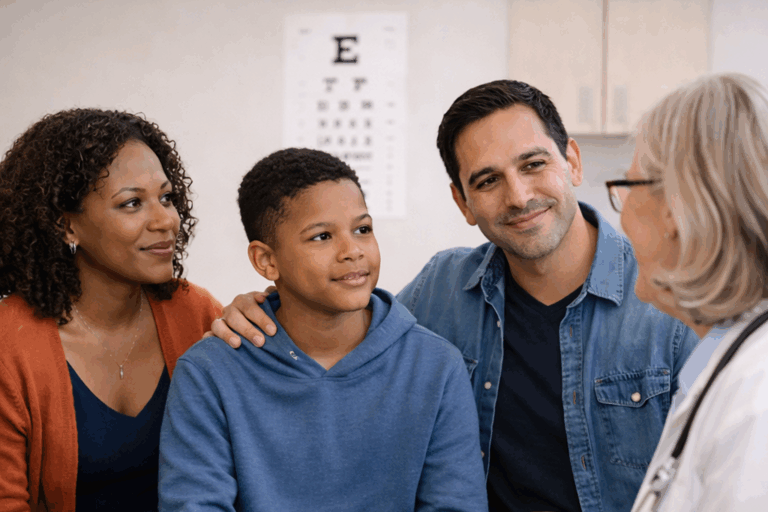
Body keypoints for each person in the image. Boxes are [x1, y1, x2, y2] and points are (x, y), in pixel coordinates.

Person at [213, 80, 702, 512]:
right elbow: (343, 332)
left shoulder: (674, 299)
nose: (518, 196)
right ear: (462, 202)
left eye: (533, 164)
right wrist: (263, 306)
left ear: (572, 161)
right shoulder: (442, 289)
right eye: (487, 181)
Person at [158, 148, 487, 511]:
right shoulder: (207, 372)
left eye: (362, 229)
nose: (352, 251)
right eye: (321, 237)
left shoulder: (437, 366)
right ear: (266, 261)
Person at [0, 108, 224, 512]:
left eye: (167, 198)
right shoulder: (9, 344)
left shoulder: (196, 312)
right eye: (132, 203)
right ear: (66, 225)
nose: (164, 221)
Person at [612, 74, 768, 511]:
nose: (620, 218)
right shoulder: (725, 357)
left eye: (627, 188)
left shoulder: (757, 399)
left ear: (675, 210)